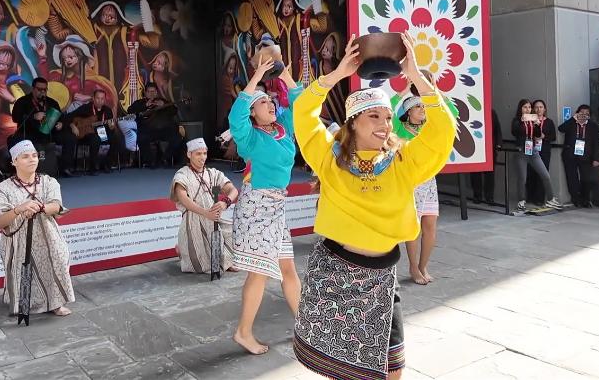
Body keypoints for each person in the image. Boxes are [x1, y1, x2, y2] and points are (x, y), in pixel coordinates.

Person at [292, 33, 454, 380]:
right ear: (353, 122)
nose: (384, 125)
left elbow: (442, 133)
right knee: (341, 371)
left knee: (392, 370)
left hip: (382, 279)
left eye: (387, 117)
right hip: (334, 274)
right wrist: (336, 75)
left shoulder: (402, 162)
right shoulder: (329, 159)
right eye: (374, 117)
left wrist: (416, 76)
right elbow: (303, 113)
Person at [228, 57, 302, 355]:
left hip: (277, 207)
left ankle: (305, 328)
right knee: (259, 272)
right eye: (262, 102)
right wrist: (257, 75)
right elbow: (236, 115)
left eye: (271, 101)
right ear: (252, 112)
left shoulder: (284, 129)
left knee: (288, 269)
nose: (270, 104)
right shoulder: (248, 137)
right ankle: (243, 332)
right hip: (257, 207)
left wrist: (284, 73)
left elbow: (301, 104)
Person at [0, 140, 74, 318]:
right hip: (18, 240)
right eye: (25, 156)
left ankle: (55, 303)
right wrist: (19, 210)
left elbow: (56, 206)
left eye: (34, 155)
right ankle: (24, 303)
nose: (32, 159)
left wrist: (40, 207)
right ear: (14, 161)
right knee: (23, 269)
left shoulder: (49, 182)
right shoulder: (2, 189)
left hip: (48, 235)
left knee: (57, 260)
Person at [170, 138, 239, 274]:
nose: (202, 157)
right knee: (199, 264)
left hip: (214, 219)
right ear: (189, 154)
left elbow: (233, 190)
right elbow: (184, 199)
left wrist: (225, 202)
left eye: (204, 153)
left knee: (235, 232)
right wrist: (205, 213)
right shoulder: (182, 175)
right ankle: (183, 249)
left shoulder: (213, 173)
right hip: (193, 221)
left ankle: (226, 261)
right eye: (198, 154)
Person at [397, 94, 441, 286]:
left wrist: (435, 92)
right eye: (418, 107)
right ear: (408, 112)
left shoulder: (429, 128)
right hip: (411, 182)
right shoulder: (399, 128)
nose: (423, 109)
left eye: (424, 106)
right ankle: (413, 267)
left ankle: (423, 266)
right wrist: (400, 93)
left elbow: (452, 113)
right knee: (414, 226)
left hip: (429, 182)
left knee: (430, 225)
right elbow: (391, 113)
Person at [10, 77, 78, 177]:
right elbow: (15, 118)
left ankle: (65, 168)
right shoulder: (22, 101)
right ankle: (24, 171)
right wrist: (33, 117)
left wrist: (61, 124)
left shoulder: (52, 102)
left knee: (69, 137)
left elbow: (61, 117)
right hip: (31, 133)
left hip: (50, 133)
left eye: (44, 90)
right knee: (14, 139)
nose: (42, 92)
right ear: (33, 89)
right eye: (39, 89)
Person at [512, 99, 562, 212]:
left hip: (533, 151)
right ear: (520, 109)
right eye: (525, 107)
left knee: (545, 175)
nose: (527, 109)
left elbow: (538, 134)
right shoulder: (517, 120)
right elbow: (514, 132)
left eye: (529, 107)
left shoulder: (533, 119)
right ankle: (521, 201)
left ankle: (550, 199)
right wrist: (522, 122)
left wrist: (537, 125)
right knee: (522, 178)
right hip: (522, 151)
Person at [127, 84, 182, 168]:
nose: (151, 93)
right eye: (149, 91)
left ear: (156, 92)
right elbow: (130, 111)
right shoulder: (140, 102)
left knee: (177, 138)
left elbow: (174, 111)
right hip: (147, 131)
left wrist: (164, 105)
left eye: (153, 91)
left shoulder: (163, 101)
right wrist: (145, 106)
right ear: (145, 93)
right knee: (141, 138)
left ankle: (164, 158)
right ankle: (151, 161)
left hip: (164, 130)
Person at [559, 105, 599, 208]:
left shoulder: (593, 126)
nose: (584, 115)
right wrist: (573, 119)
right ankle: (575, 199)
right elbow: (561, 128)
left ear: (589, 115)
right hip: (570, 156)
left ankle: (585, 199)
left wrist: (596, 158)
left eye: (587, 114)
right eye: (581, 113)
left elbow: (597, 143)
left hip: (586, 156)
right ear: (577, 113)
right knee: (572, 178)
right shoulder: (572, 123)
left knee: (586, 178)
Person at [73, 89, 125, 176]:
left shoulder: (107, 110)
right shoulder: (86, 108)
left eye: (102, 99)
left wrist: (112, 127)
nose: (100, 101)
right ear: (93, 98)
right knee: (95, 139)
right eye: (97, 98)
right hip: (87, 135)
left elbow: (110, 129)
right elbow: (71, 116)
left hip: (102, 133)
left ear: (104, 100)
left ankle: (107, 164)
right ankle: (92, 168)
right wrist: (73, 125)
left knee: (117, 138)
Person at [525, 100, 557, 205]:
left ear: (544, 109)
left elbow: (553, 137)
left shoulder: (549, 122)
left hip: (544, 151)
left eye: (541, 107)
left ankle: (539, 198)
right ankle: (530, 196)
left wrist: (544, 136)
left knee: (542, 174)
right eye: (536, 107)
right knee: (530, 173)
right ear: (533, 109)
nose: (538, 109)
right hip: (530, 149)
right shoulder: (529, 120)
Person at [469, 108, 501, 203]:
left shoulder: (491, 111)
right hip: (475, 146)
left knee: (490, 174)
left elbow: (497, 129)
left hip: (489, 146)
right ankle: (477, 196)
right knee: (475, 173)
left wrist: (499, 143)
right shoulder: (472, 110)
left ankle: (489, 197)